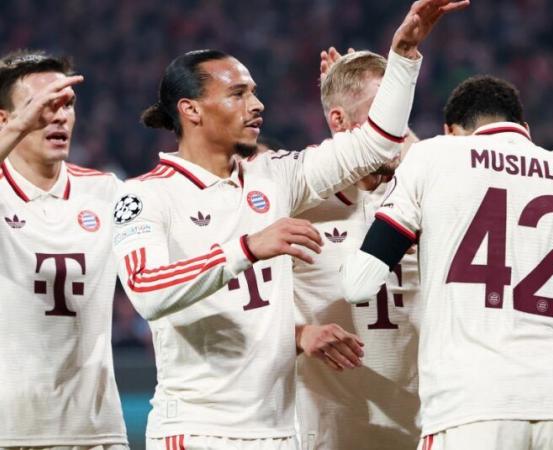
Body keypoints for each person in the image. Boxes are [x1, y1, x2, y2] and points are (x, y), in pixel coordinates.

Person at [112, 1, 470, 448]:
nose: (257, 104)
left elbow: (375, 143)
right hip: (200, 430)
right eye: (238, 94)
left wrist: (403, 55)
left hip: (282, 433)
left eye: (255, 92)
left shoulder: (275, 176)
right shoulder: (143, 194)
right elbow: (148, 290)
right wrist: (247, 247)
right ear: (191, 110)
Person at [341, 75, 553, 450]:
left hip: (469, 409)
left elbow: (359, 284)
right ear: (524, 130)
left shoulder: (434, 155)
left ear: (450, 131)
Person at [293, 50, 421, 450]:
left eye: (399, 113)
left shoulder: (425, 193)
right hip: (330, 434)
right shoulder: (297, 199)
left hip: (424, 430)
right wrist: (299, 334)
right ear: (338, 120)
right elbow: (246, 309)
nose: (393, 129)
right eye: (381, 113)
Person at [0, 51, 128, 448]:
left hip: (97, 432)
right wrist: (19, 126)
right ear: (6, 119)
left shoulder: (107, 192)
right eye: (41, 106)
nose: (58, 116)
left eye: (67, 105)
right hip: (11, 431)